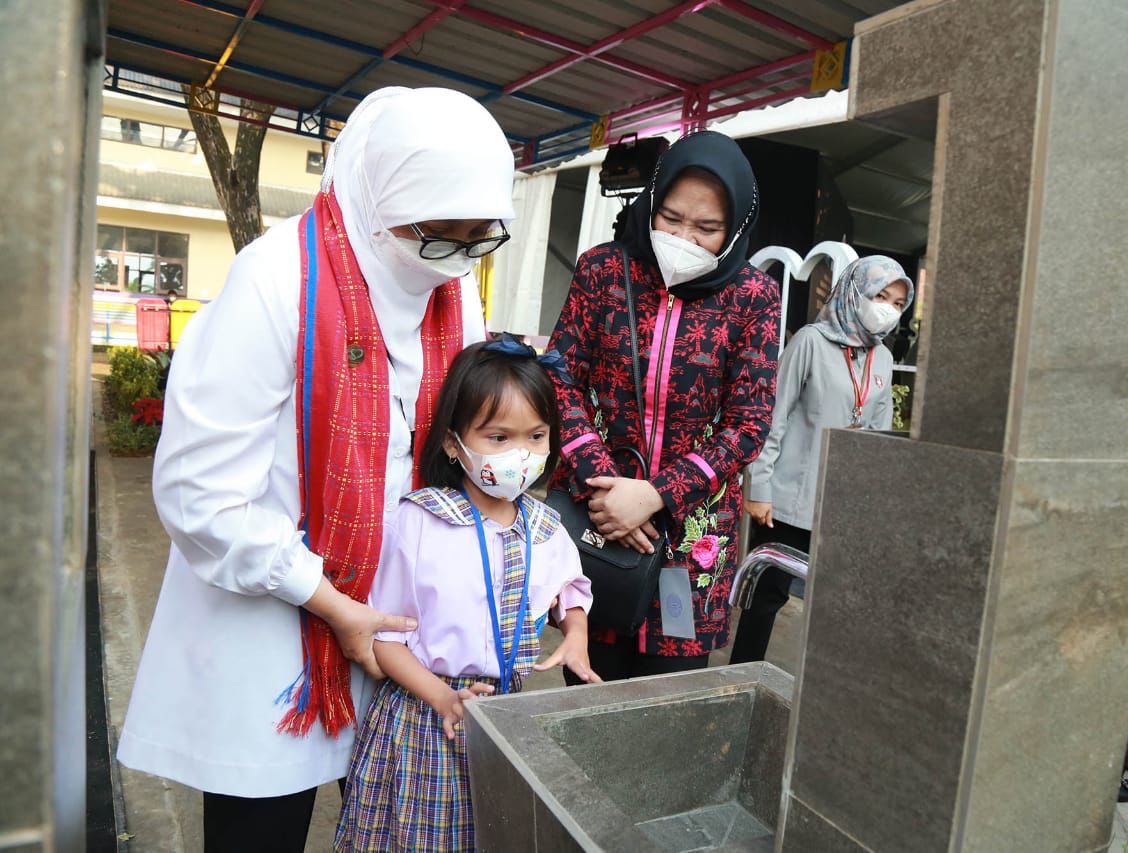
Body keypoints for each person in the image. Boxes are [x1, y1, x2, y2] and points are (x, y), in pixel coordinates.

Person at [116, 87, 516, 852]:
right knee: (262, 826)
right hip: (270, 620)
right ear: (378, 202)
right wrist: (328, 599)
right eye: (439, 234)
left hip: (393, 625)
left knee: (393, 823)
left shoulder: (454, 294)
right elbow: (200, 494)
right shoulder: (277, 280)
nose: (457, 259)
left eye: (479, 238)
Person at [335, 338, 597, 851]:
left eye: (536, 436)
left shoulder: (546, 528)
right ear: (455, 444)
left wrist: (577, 633)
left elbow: (571, 588)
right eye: (498, 437)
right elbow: (386, 638)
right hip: (424, 722)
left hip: (504, 719)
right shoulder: (420, 521)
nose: (520, 454)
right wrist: (442, 697)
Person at [549, 130, 780, 680]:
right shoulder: (602, 271)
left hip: (691, 537)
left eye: (706, 228)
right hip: (597, 518)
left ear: (735, 227)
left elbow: (747, 424)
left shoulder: (754, 298)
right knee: (587, 685)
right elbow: (558, 379)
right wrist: (607, 489)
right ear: (650, 202)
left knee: (668, 697)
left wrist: (656, 495)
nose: (683, 238)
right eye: (670, 218)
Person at [732, 256, 914, 663]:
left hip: (843, 504)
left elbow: (878, 438)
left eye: (898, 303)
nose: (888, 308)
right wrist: (759, 488)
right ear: (855, 291)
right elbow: (773, 418)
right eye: (881, 296)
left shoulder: (883, 357)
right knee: (768, 596)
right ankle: (742, 673)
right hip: (788, 501)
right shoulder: (810, 342)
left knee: (832, 603)